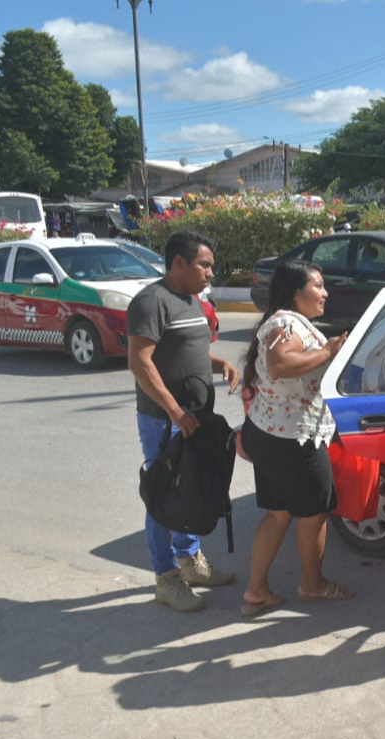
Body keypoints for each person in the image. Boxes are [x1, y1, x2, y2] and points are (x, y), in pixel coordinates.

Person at [127, 230, 239, 612]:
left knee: (192, 488)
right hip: (164, 418)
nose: (210, 272)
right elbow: (139, 361)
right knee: (165, 494)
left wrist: (219, 363)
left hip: (196, 417)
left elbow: (188, 351)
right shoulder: (151, 301)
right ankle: (166, 578)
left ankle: (190, 562)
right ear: (178, 262)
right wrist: (175, 411)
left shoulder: (190, 302)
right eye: (204, 264)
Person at [238, 260, 353, 617]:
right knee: (314, 513)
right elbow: (279, 365)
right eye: (317, 286)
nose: (325, 292)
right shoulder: (286, 322)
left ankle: (257, 591)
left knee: (278, 514)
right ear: (295, 293)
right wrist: (328, 351)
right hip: (293, 439)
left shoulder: (282, 322)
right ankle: (312, 585)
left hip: (272, 434)